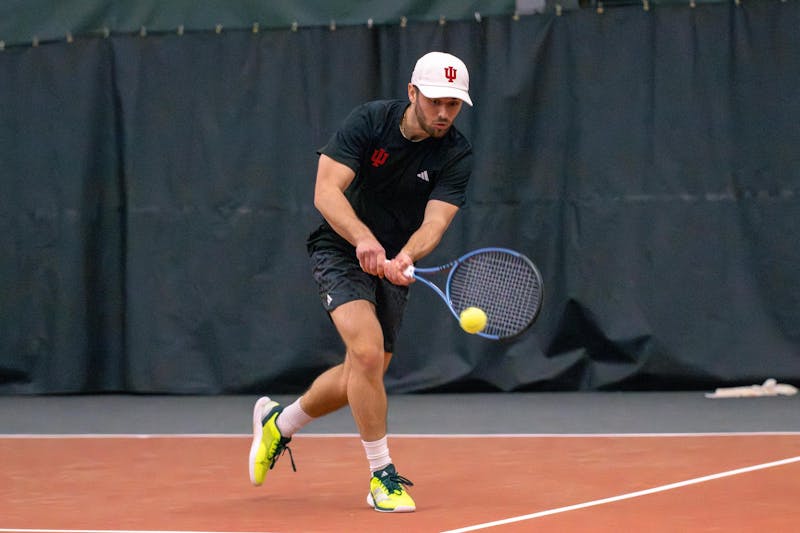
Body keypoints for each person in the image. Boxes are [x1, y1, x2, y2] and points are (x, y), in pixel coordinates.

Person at [248, 51, 474, 513]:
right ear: (413, 93)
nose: (444, 113)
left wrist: (407, 255)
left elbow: (436, 221)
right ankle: (381, 477)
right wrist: (363, 240)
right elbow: (325, 191)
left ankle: (280, 423)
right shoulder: (371, 121)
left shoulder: (456, 154)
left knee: (362, 372)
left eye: (454, 104)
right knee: (368, 353)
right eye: (436, 101)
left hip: (393, 260)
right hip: (340, 248)